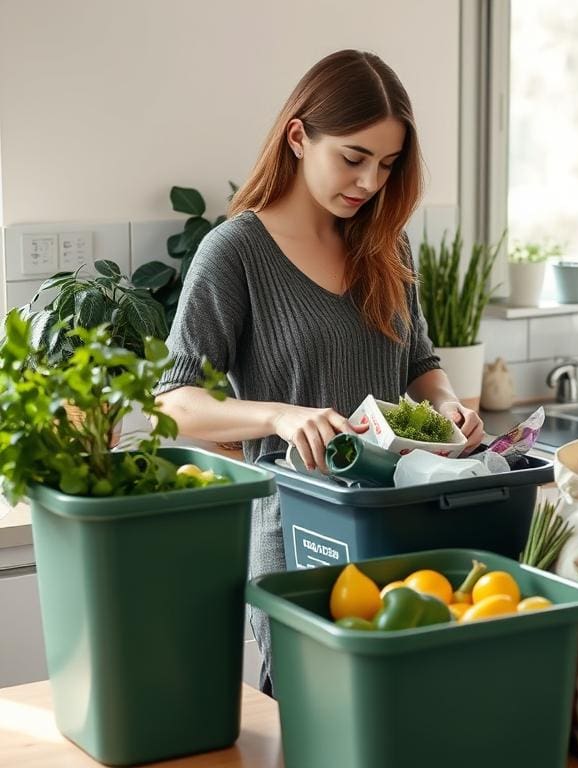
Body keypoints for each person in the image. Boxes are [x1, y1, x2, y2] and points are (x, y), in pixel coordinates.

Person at [155, 49, 484, 696]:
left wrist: (446, 405)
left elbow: (420, 364)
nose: (368, 183)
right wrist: (278, 414)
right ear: (299, 136)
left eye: (386, 166)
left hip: (399, 518)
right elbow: (174, 399)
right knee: (318, 710)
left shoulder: (386, 241)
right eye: (353, 158)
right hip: (300, 532)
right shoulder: (236, 253)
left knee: (408, 708)